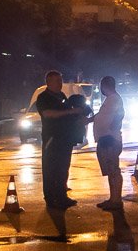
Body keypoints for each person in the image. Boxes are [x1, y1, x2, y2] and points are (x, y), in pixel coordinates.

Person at [34, 70, 82, 209]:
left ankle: (62, 196)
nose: (60, 84)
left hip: (65, 138)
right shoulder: (43, 97)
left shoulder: (61, 95)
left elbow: (67, 111)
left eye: (61, 80)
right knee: (51, 168)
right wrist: (70, 112)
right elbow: (48, 114)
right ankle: (51, 198)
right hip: (52, 139)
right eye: (57, 81)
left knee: (63, 168)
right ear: (48, 82)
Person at [93, 75, 126, 210]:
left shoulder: (115, 99)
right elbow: (102, 116)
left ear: (105, 86)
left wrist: (111, 129)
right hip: (106, 138)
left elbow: (120, 115)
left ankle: (116, 200)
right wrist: (90, 120)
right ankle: (113, 199)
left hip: (110, 139)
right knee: (111, 170)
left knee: (114, 170)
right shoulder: (110, 100)